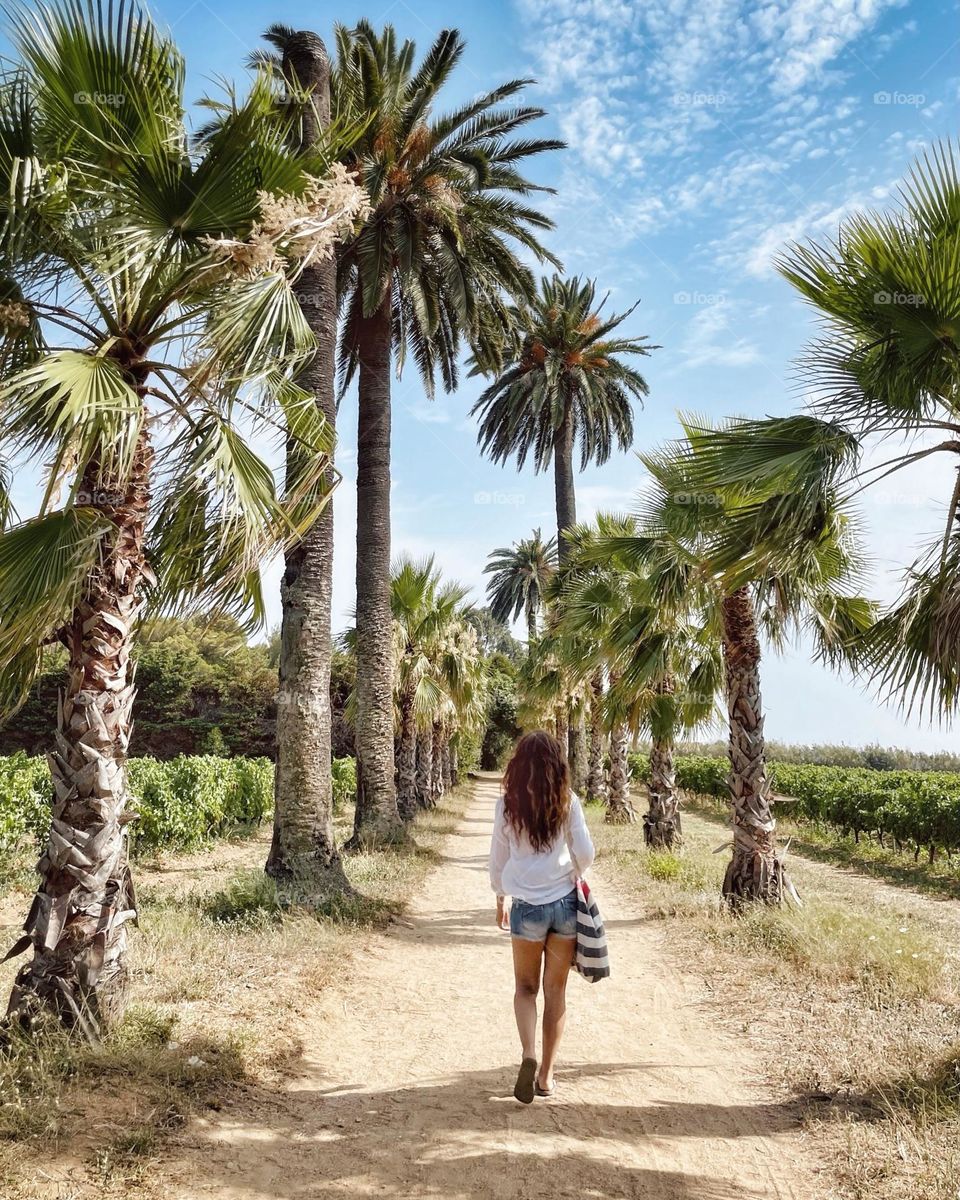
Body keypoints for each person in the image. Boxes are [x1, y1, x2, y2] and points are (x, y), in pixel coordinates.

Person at [489, 730, 595, 1103]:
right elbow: (586, 852)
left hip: (526, 909)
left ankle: (528, 1054)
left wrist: (500, 895)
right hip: (565, 905)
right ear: (557, 766)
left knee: (525, 989)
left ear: (518, 766)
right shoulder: (568, 802)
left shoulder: (507, 805)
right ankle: (546, 1076)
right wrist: (573, 873)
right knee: (556, 992)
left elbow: (498, 858)